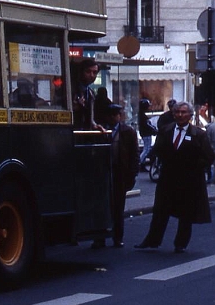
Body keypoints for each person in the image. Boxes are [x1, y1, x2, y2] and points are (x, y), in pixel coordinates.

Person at [135, 101, 215, 253]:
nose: (180, 115)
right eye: (177, 112)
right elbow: (157, 149)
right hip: (168, 178)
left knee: (186, 214)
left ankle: (180, 243)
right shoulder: (166, 130)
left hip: (189, 180)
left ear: (190, 115)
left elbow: (209, 156)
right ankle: (152, 240)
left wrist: (194, 166)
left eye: (183, 112)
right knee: (160, 210)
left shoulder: (198, 134)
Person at [92, 104, 138, 248]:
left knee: (118, 208)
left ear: (119, 116)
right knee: (101, 207)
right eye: (110, 115)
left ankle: (118, 237)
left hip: (120, 174)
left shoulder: (128, 132)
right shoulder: (99, 130)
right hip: (103, 174)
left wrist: (132, 175)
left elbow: (134, 156)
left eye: (115, 114)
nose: (113, 117)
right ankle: (100, 238)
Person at [71, 58, 105, 132]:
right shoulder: (71, 90)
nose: (92, 75)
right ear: (81, 72)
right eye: (88, 71)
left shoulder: (91, 93)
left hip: (85, 136)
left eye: (95, 72)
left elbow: (90, 117)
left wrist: (95, 125)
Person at [138, 98, 158, 170]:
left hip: (144, 133)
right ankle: (140, 163)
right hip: (146, 133)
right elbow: (147, 125)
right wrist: (154, 130)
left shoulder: (141, 114)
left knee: (146, 148)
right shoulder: (142, 116)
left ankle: (141, 163)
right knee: (147, 149)